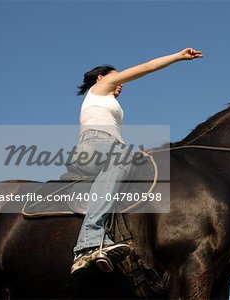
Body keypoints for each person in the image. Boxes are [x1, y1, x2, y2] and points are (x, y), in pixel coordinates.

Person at [70, 48, 203, 274]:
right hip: (92, 146)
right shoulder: (101, 87)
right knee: (122, 157)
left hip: (111, 146)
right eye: (116, 76)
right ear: (102, 77)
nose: (120, 82)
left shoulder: (107, 102)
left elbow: (113, 138)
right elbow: (146, 67)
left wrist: (134, 155)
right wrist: (178, 57)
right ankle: (89, 240)